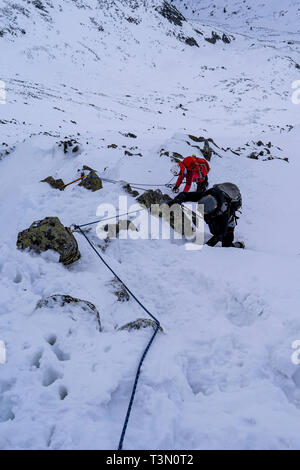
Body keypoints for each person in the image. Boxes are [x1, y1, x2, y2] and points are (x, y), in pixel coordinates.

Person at [170, 182, 244, 248]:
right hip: (215, 214)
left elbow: (220, 234)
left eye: (205, 212)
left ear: (213, 211)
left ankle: (239, 245)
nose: (203, 213)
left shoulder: (223, 215)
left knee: (226, 244)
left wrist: (206, 248)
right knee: (214, 230)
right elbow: (185, 195)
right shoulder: (205, 195)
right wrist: (176, 201)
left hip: (225, 221)